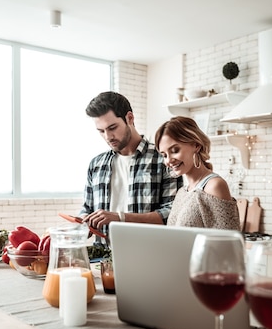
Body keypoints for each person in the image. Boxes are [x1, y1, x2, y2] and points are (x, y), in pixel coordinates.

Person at [79, 91, 183, 238]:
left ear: (130, 118)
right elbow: (87, 209)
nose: (108, 137)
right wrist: (83, 223)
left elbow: (173, 214)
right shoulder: (96, 165)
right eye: (101, 131)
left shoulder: (163, 158)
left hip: (147, 253)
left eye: (112, 127)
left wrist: (120, 218)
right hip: (102, 257)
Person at [154, 116, 241, 231]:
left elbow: (229, 243)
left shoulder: (214, 186)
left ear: (196, 145)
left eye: (175, 150)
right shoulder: (182, 192)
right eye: (164, 155)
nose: (169, 160)